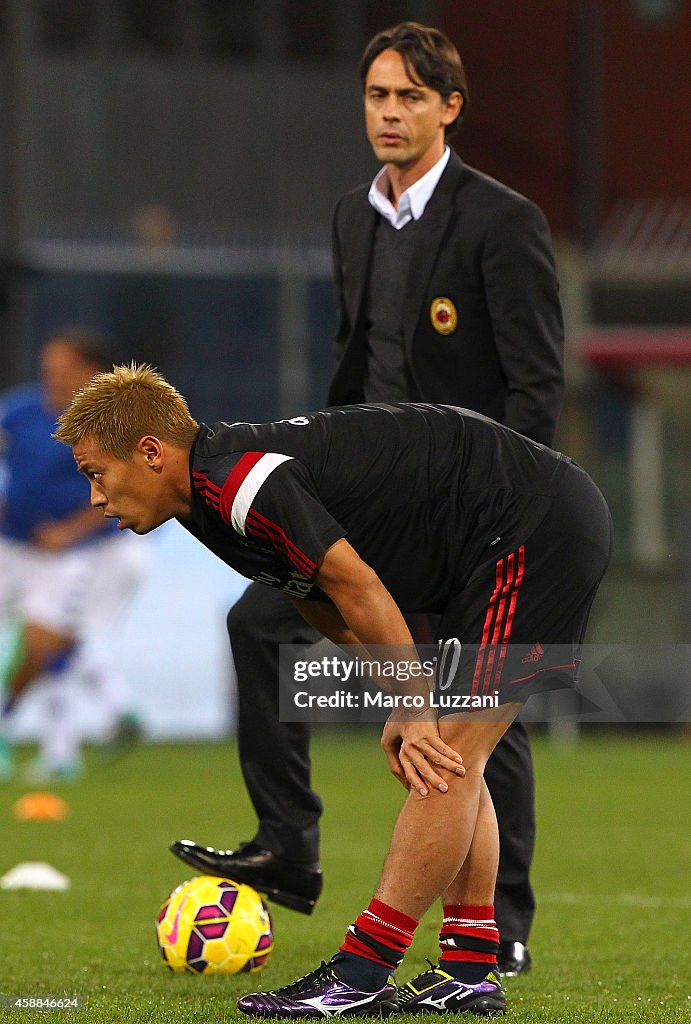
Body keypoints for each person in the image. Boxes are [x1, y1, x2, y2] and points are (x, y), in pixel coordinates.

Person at [170, 22, 564, 973]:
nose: (390, 113)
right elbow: (358, 372)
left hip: (468, 511)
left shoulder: (501, 221)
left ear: (449, 107)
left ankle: (500, 924)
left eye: (410, 98)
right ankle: (289, 846)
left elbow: (536, 384)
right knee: (257, 625)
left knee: (472, 701)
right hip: (366, 501)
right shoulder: (354, 215)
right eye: (378, 97)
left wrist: (506, 523)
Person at [55, 365, 611, 1017]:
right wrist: (401, 692)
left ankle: (359, 974)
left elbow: (358, 586)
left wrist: (412, 703)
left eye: (97, 472)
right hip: (494, 536)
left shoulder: (239, 484)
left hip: (529, 524)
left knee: (444, 763)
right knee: (447, 759)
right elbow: (316, 597)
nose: (95, 497)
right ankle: (466, 970)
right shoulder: (204, 502)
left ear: (151, 453)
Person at [0, 329, 146, 781]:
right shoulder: (20, 412)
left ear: (89, 373)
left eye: (61, 368)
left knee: (49, 642)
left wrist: (68, 532)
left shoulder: (109, 427)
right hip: (10, 544)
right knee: (56, 644)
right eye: (47, 367)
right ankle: (104, 716)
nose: (51, 376)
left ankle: (52, 746)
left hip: (68, 556)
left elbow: (124, 490)